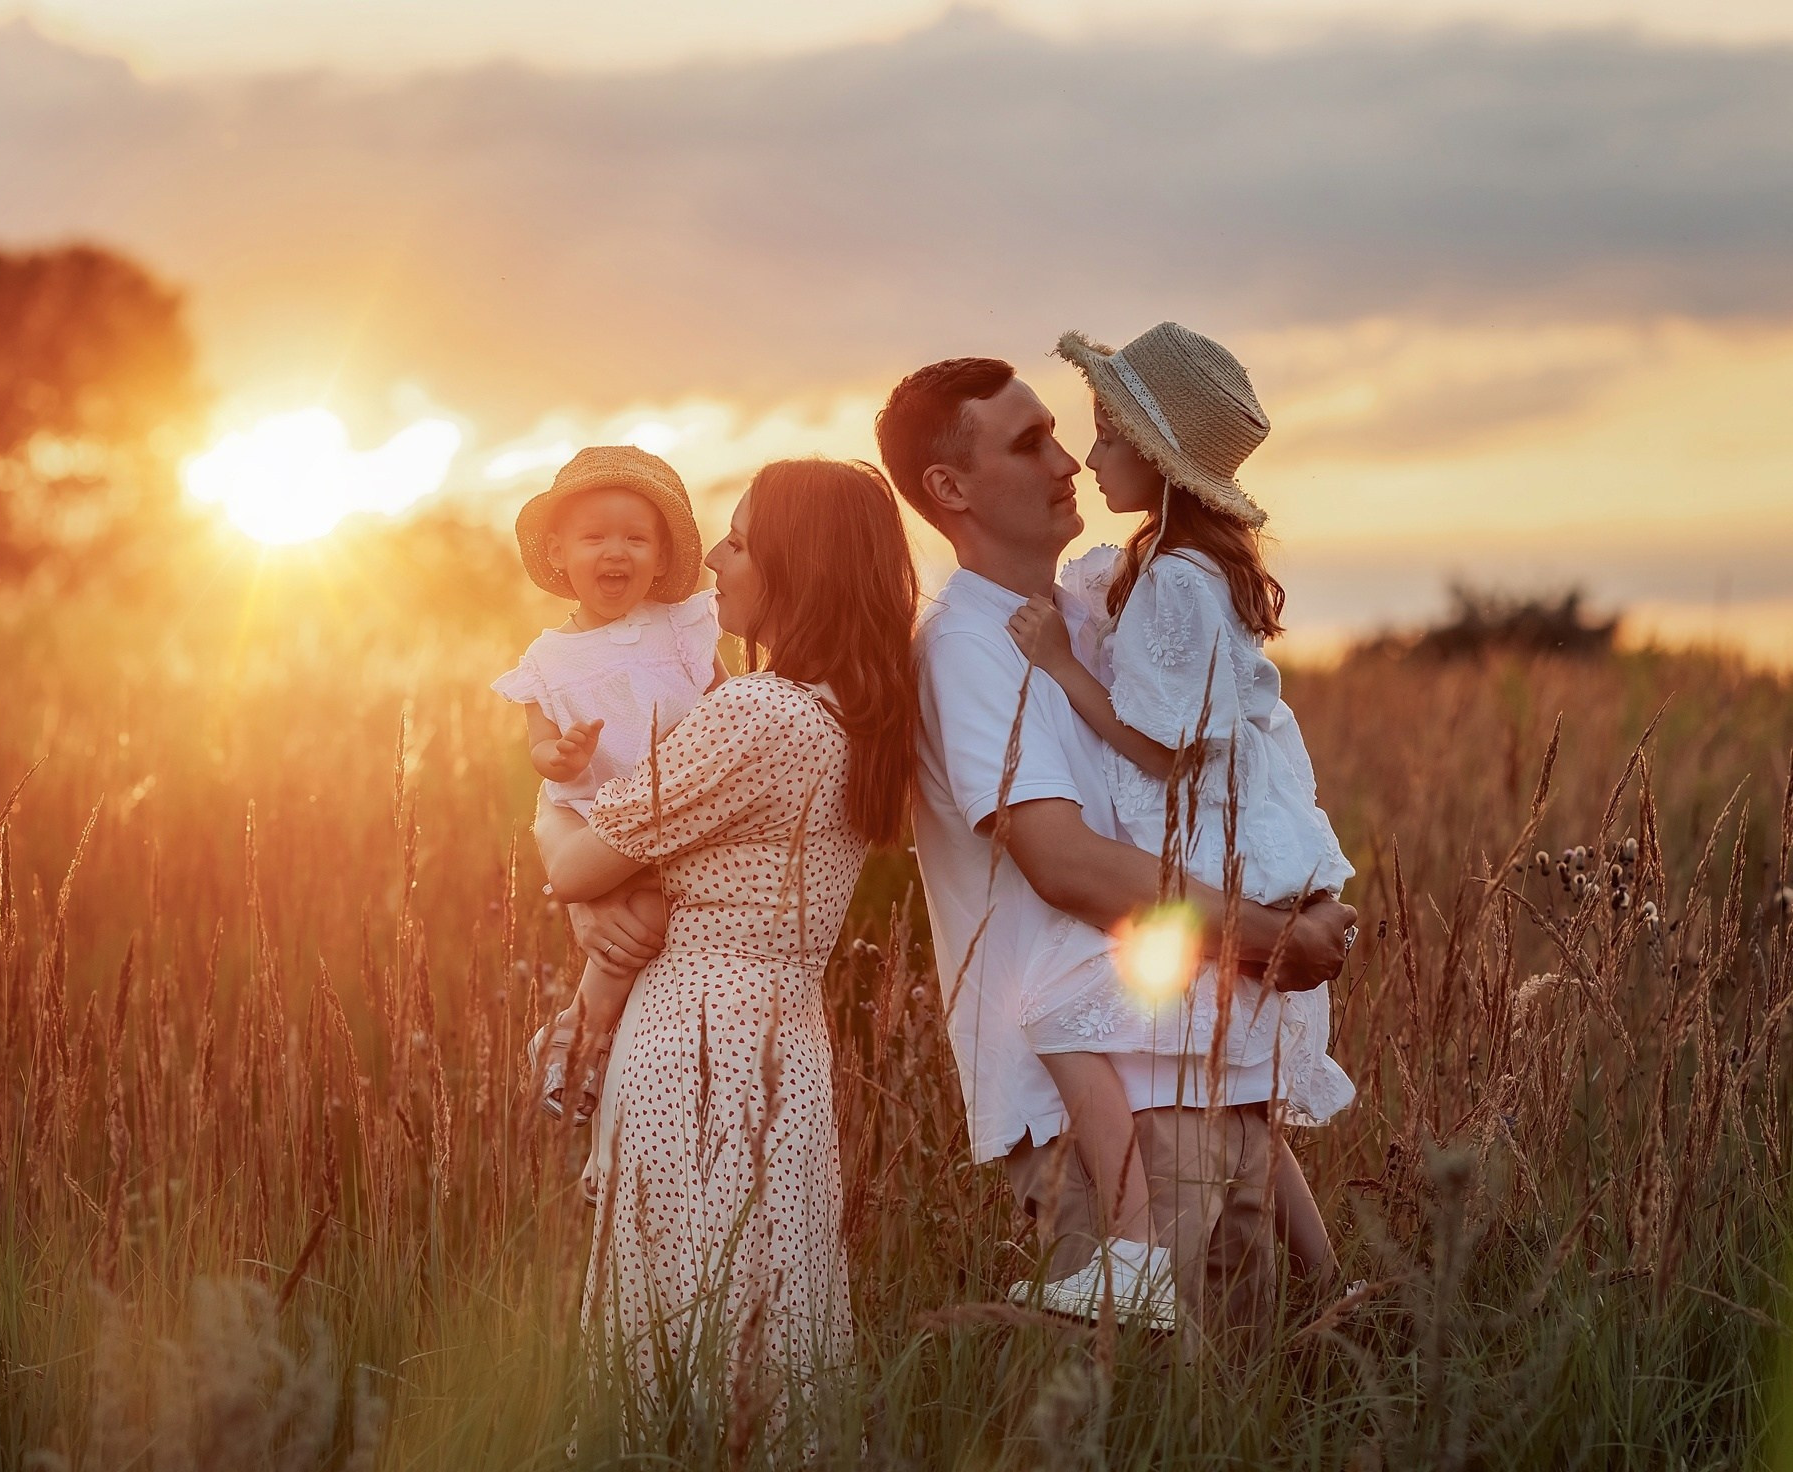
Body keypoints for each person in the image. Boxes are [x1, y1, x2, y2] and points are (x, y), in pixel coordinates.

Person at [875, 355, 1357, 1341]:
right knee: (1135, 1384)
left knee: (1255, 1383)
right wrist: (1276, 937)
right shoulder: (968, 649)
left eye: (1063, 435)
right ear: (949, 488)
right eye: (1029, 443)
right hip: (1106, 1111)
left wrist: (1299, 892)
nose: (1067, 463)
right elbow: (1068, 865)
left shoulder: (1092, 617)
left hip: (1198, 1071)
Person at [531, 458, 918, 1414]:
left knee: (673, 1322)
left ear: (797, 565)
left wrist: (555, 826)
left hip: (695, 1040)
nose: (712, 559)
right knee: (766, 1315)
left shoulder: (755, 713)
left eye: (739, 542)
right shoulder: (854, 713)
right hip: (784, 1039)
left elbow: (576, 865)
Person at [1007, 322, 1355, 1292]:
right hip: (1252, 835)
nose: (1089, 458)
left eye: (1107, 438)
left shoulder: (1172, 581)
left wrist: (1062, 665)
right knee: (1235, 1092)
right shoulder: (1188, 567)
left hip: (1207, 843)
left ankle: (1134, 1259)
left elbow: (1167, 747)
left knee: (1061, 1012)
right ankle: (1330, 1291)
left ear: (1159, 463)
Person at [493, 446, 725, 1126]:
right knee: (640, 923)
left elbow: (728, 705)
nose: (615, 552)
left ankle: (576, 1035)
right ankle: (581, 1043)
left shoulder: (679, 628)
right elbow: (540, 749)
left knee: (649, 926)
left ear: (661, 557)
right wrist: (562, 757)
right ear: (559, 553)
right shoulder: (547, 660)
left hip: (684, 814)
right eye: (594, 537)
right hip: (605, 824)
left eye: (636, 538)